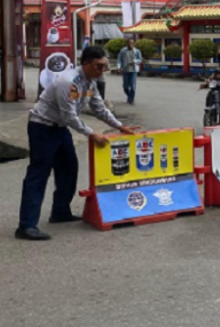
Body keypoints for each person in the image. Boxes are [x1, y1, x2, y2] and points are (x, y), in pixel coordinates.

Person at [16, 46, 138, 241]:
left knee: (69, 169)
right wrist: (92, 134)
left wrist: (120, 127)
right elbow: (70, 116)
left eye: (104, 67)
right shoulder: (68, 81)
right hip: (42, 127)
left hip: (60, 128)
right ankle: (26, 225)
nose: (102, 71)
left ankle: (60, 212)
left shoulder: (90, 83)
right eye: (98, 66)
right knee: (39, 174)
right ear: (86, 63)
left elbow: (99, 108)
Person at [117, 38, 142, 105]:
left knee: (133, 86)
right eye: (129, 43)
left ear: (134, 44)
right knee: (125, 86)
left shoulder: (137, 51)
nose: (131, 44)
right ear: (127, 43)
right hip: (125, 70)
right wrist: (119, 67)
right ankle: (129, 96)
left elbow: (140, 59)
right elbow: (119, 59)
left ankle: (131, 100)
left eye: (132, 43)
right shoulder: (123, 51)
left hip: (133, 70)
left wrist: (135, 61)